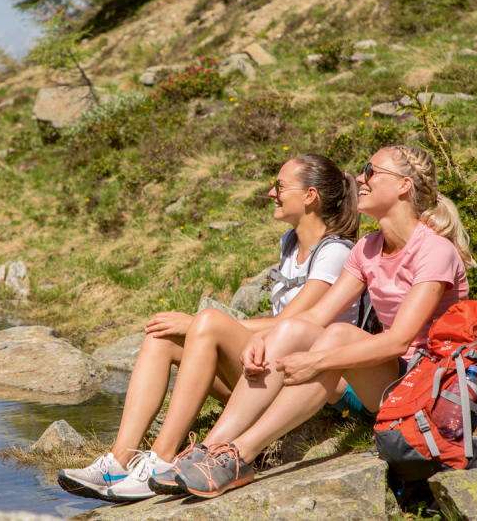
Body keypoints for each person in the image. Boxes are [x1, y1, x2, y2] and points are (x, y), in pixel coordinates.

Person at [171, 145, 473, 499]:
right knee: (295, 327)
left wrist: (316, 360)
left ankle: (242, 454)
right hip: (387, 378)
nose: (360, 178)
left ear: (404, 186)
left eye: (371, 171)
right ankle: (211, 450)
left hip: (425, 386)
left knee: (338, 336)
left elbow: (398, 341)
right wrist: (264, 340)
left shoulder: (433, 250)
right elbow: (312, 317)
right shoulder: (367, 248)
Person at [59, 154, 362, 502]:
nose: (270, 193)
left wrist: (199, 324)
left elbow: (291, 324)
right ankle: (119, 460)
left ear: (310, 196)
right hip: (272, 371)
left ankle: (161, 458)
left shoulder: (335, 252)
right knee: (162, 337)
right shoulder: (290, 243)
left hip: (308, 383)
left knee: (207, 322)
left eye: (279, 186)